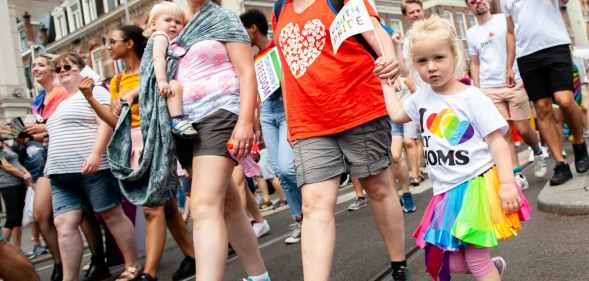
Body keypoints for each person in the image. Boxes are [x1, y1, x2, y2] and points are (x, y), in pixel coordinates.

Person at [386, 15, 530, 281]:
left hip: (477, 185)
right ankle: (492, 269)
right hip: (446, 192)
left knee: (476, 260)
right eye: (422, 61)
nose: (431, 67)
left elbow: (497, 141)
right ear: (414, 64)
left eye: (438, 58)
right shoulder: (420, 98)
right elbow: (396, 114)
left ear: (454, 55)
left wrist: (508, 183)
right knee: (443, 261)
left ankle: (487, 270)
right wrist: (384, 82)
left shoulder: (471, 97)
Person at [272, 0, 409, 279]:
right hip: (309, 122)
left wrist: (389, 57)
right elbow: (285, 71)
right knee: (313, 203)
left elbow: (375, 31)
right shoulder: (279, 9)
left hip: (358, 109)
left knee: (378, 188)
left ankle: (398, 262)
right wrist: (291, 121)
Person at [82, 25, 196, 281]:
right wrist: (90, 98)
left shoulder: (153, 70)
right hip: (133, 146)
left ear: (130, 43)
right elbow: (114, 122)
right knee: (168, 210)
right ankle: (193, 257)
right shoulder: (117, 81)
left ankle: (149, 274)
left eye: (113, 41)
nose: (109, 47)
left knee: (151, 209)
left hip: (157, 139)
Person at [46, 52, 139, 281]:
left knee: (111, 215)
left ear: (81, 69)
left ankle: (131, 265)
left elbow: (105, 123)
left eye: (68, 66)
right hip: (60, 173)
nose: (63, 71)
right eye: (58, 69)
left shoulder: (94, 90)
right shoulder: (61, 102)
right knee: (63, 223)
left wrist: (96, 154)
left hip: (92, 167)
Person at [504, 0, 589, 185]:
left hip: (555, 45)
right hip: (526, 55)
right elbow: (510, 31)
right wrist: (509, 65)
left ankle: (579, 143)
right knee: (542, 108)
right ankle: (561, 164)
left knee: (564, 100)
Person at [465, 0, 548, 187]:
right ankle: (517, 174)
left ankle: (537, 150)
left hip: (513, 82)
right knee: (504, 132)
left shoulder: (504, 20)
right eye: (472, 1)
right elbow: (475, 62)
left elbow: (518, 43)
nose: (477, 2)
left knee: (524, 129)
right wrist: (477, 88)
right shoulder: (471, 33)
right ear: (469, 6)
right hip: (489, 88)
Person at [240, 9, 303, 244]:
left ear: (252, 29)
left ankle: (312, 211)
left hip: (287, 109)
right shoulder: (249, 57)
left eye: (242, 30)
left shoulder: (278, 46)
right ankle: (300, 220)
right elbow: (254, 92)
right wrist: (255, 123)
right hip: (267, 113)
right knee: (278, 170)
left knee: (287, 168)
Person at [26, 54, 69, 281]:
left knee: (85, 214)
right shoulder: (37, 100)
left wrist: (43, 130)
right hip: (46, 157)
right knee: (41, 214)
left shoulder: (62, 92)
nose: (35, 69)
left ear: (52, 69)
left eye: (40, 65)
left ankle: (99, 259)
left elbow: (66, 124)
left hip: (69, 153)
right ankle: (59, 262)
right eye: (33, 66)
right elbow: (42, 129)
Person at [144, 2, 197, 138]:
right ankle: (178, 120)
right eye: (168, 20)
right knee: (175, 86)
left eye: (178, 22)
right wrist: (162, 81)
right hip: (160, 79)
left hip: (161, 79)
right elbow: (158, 59)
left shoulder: (171, 41)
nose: (173, 24)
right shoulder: (161, 37)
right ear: (154, 25)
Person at [0, 142, 32, 249]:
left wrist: (26, 172)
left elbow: (16, 162)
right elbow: (6, 166)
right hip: (8, 185)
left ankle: (18, 250)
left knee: (18, 218)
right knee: (12, 217)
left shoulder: (5, 145)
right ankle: (3, 251)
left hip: (18, 183)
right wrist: (24, 175)